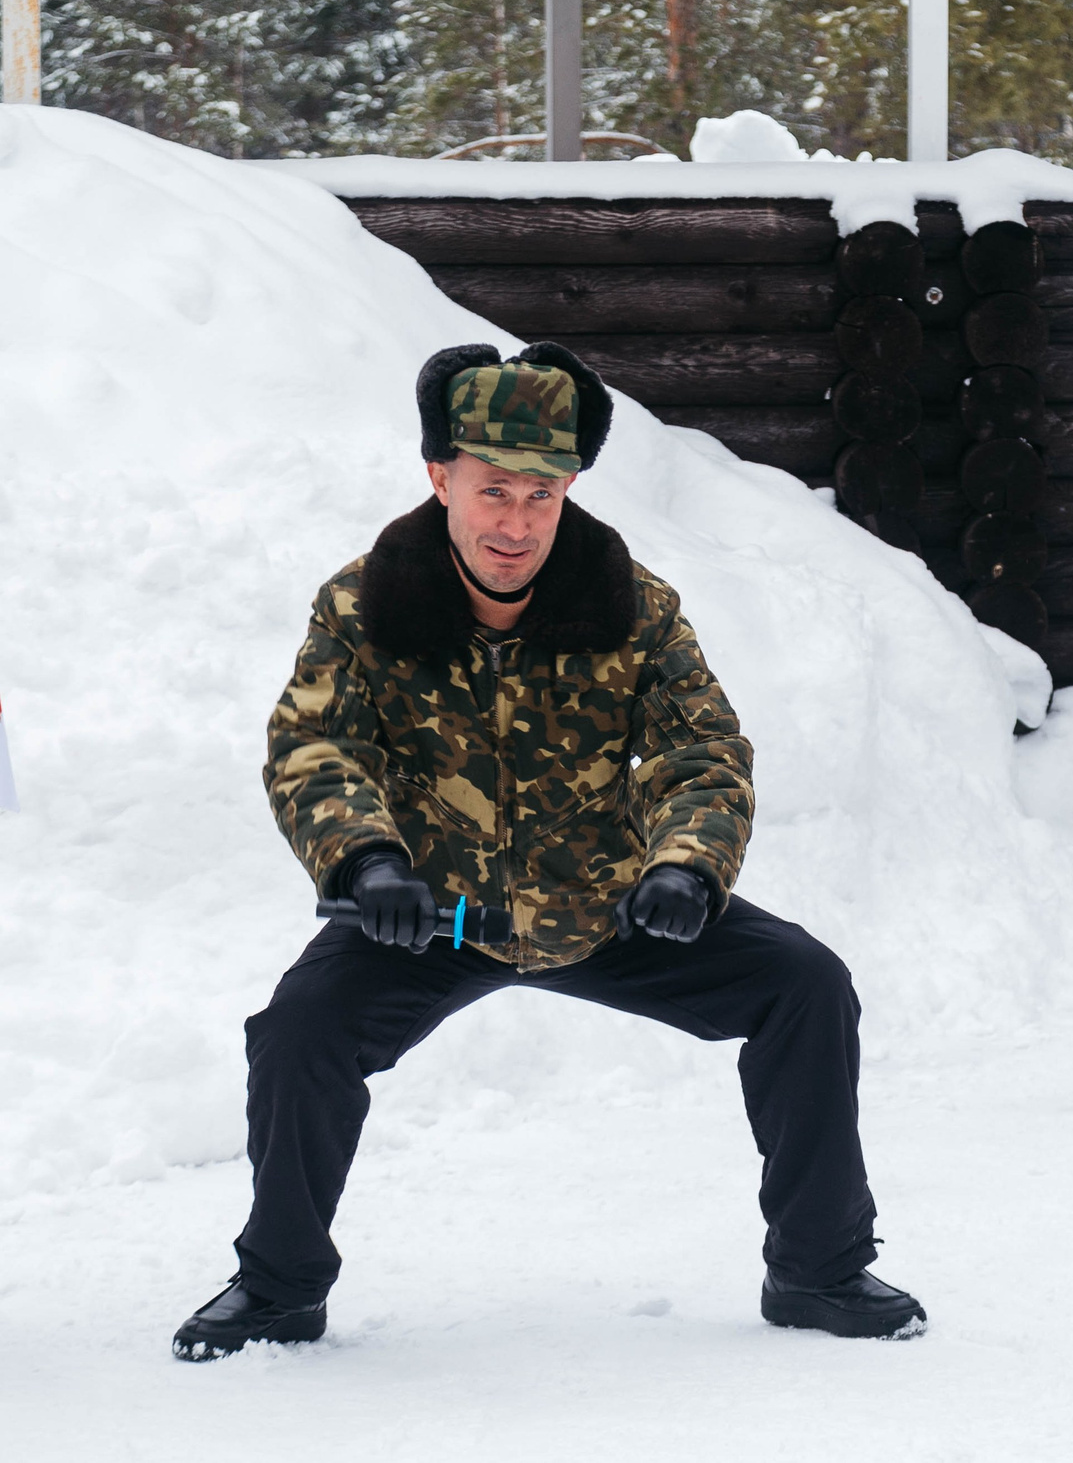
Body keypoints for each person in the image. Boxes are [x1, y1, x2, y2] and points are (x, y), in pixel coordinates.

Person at [172, 345, 924, 1360]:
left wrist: (684, 868)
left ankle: (818, 1270)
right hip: (425, 915)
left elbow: (700, 748)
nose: (515, 522)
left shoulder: (631, 604)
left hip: (606, 909)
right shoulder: (364, 604)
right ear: (440, 479)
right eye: (492, 491)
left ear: (570, 486)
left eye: (539, 493)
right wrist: (365, 864)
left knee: (805, 986)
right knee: (299, 1033)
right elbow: (317, 744)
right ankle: (279, 1287)